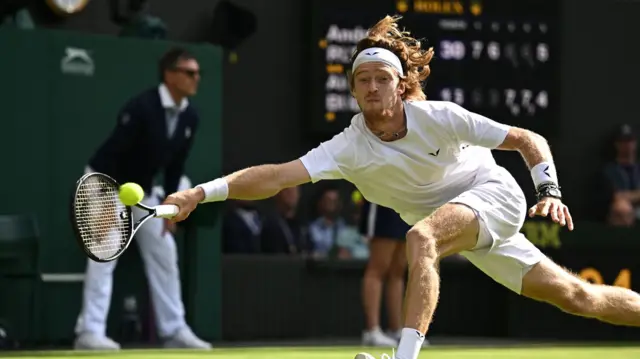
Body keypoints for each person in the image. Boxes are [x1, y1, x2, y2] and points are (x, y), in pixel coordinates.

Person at [162, 16, 640, 359]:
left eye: (382, 78)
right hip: (458, 222)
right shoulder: (348, 145)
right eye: (362, 80)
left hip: (492, 193)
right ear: (353, 90)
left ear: (401, 84)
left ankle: (405, 358)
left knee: (420, 236)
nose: (371, 87)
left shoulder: (439, 117)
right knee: (579, 298)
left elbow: (525, 139)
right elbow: (275, 176)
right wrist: (200, 193)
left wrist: (548, 191)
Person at [74, 47, 211, 350]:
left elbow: (175, 165)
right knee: (104, 254)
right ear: (170, 75)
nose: (196, 78)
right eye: (189, 72)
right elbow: (113, 156)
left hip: (143, 191)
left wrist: (175, 205)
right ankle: (89, 331)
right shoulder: (142, 108)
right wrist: (106, 206)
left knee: (165, 253)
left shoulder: (190, 115)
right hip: (106, 181)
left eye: (198, 73)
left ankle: (174, 330)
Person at [359, 200, 427, 347]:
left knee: (398, 270)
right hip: (382, 198)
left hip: (406, 198)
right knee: (378, 267)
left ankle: (396, 330)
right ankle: (372, 331)